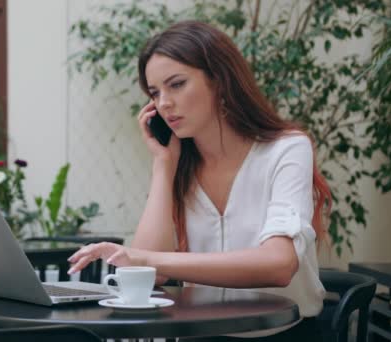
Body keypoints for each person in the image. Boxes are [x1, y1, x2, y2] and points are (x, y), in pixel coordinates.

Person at [67, 20, 331, 341]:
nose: (164, 103)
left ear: (220, 80)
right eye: (155, 92)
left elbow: (279, 264)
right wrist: (163, 165)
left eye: (176, 84)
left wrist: (143, 258)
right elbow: (150, 276)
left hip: (285, 333)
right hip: (202, 333)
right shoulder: (180, 165)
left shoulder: (287, 148)